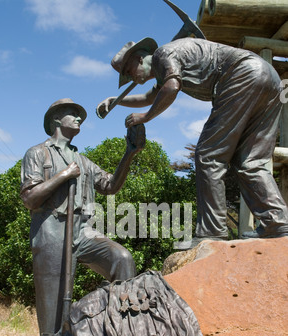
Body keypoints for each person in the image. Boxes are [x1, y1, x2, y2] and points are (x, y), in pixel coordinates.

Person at [98, 37, 288, 243]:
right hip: (269, 77)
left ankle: (212, 231)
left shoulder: (163, 54)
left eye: (128, 71)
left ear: (139, 58)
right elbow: (149, 97)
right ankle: (277, 222)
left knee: (208, 156)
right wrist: (115, 102)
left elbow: (171, 88)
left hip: (242, 75)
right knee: (250, 161)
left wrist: (145, 117)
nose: (131, 78)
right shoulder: (164, 68)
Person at [21, 98, 145, 336]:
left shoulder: (84, 161)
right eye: (72, 114)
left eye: (80, 115)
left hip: (82, 229)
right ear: (56, 120)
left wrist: (130, 152)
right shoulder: (38, 153)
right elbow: (30, 198)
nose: (78, 118)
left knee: (122, 259)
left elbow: (110, 185)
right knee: (53, 317)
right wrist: (64, 175)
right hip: (51, 229)